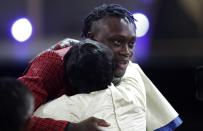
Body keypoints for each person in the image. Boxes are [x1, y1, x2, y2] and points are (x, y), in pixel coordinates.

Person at [18, 3, 182, 131]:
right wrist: (71, 128)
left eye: (131, 44)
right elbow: (12, 118)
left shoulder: (131, 71)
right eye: (117, 42)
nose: (126, 52)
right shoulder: (53, 62)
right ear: (92, 38)